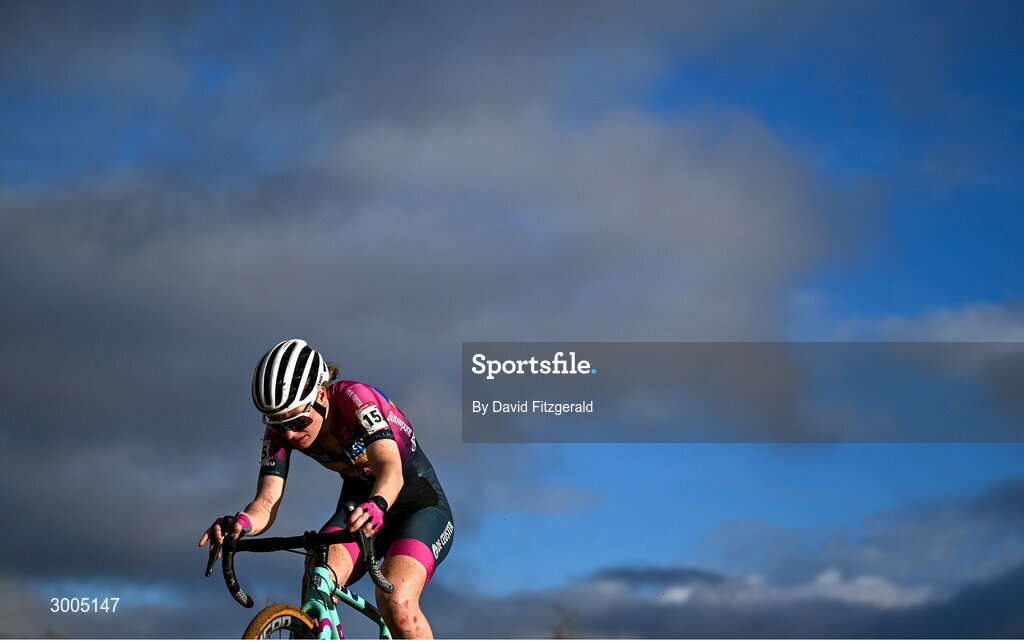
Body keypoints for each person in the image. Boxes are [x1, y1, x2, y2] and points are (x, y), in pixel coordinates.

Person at [199, 339, 454, 639]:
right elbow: (267, 502)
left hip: (417, 503)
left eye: (298, 420)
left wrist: (378, 504)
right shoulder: (282, 432)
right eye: (279, 425)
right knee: (317, 580)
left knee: (396, 601)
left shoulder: (355, 400)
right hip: (358, 507)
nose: (290, 434)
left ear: (321, 394)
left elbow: (390, 469)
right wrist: (239, 523)